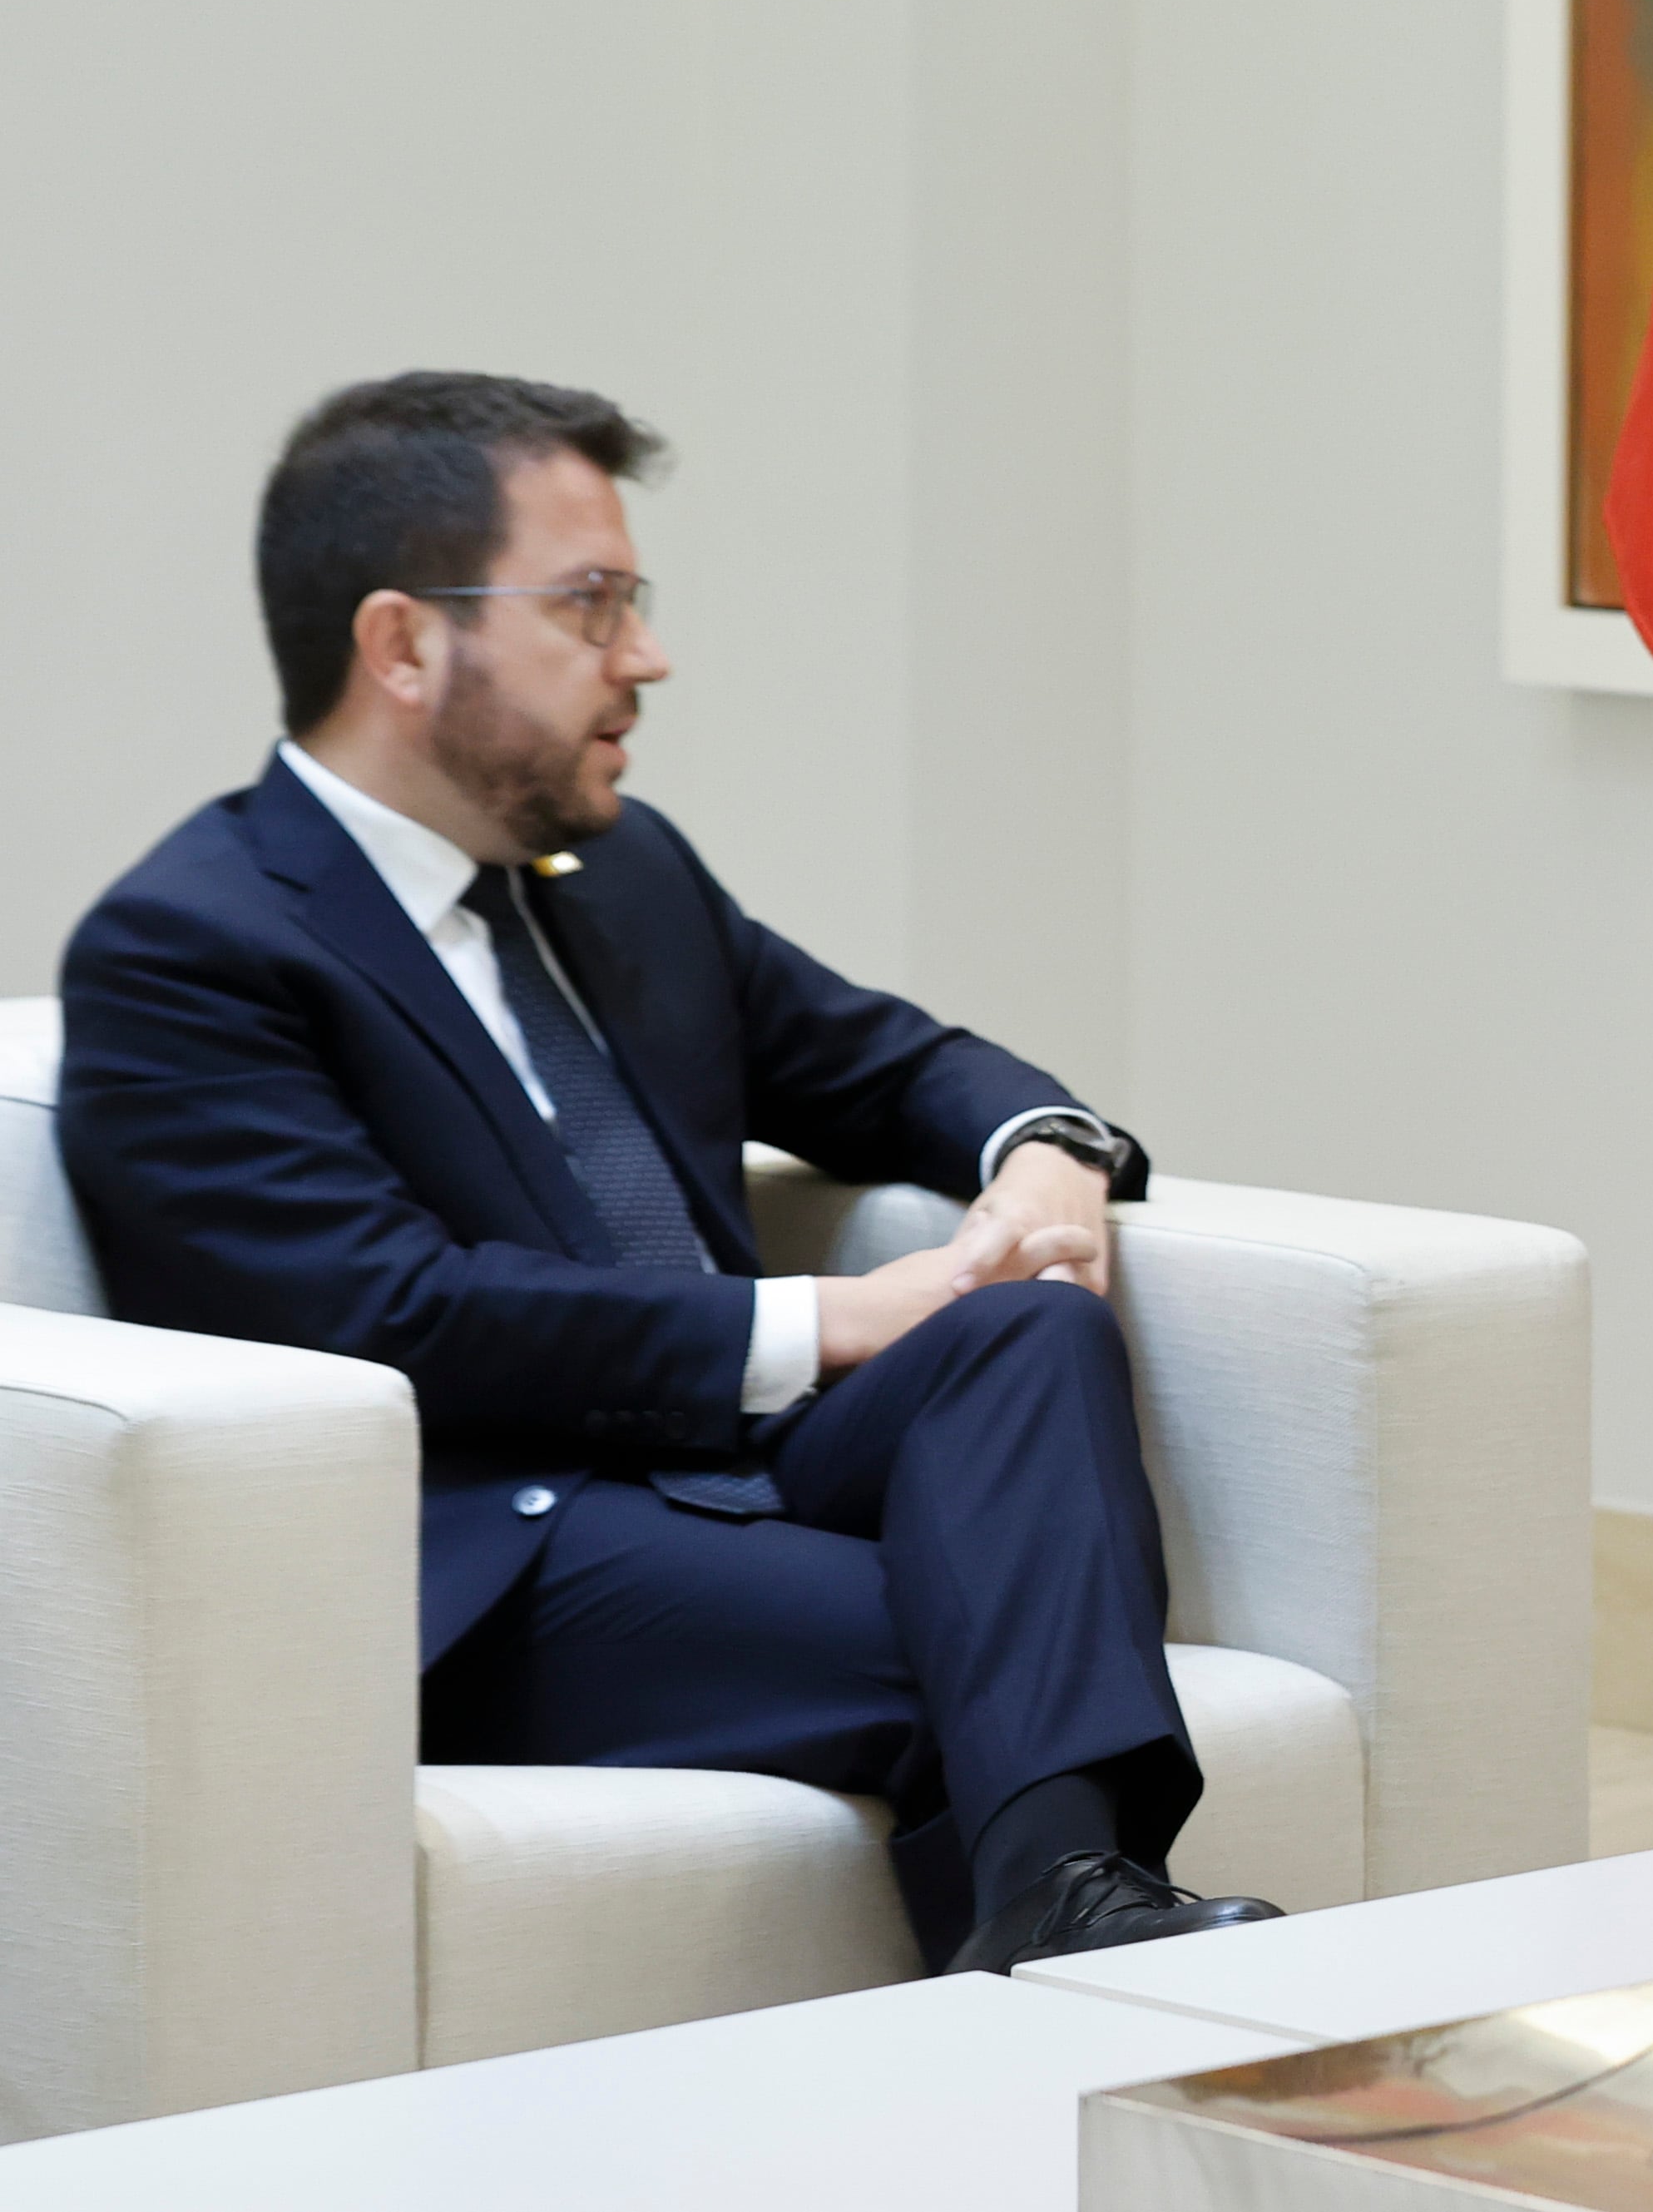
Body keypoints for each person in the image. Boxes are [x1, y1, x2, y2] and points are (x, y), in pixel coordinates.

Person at [58, 373, 1279, 1975]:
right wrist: (825, 1319)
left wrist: (1044, 1156)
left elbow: (889, 1062)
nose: (647, 655)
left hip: (734, 1476)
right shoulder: (192, 946)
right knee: (1007, 1672)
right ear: (404, 645)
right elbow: (383, 1310)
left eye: (635, 600)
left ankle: (1055, 1925)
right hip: (498, 1547)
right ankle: (1068, 1916)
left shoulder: (622, 873)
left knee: (1029, 1323)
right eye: (592, 603)